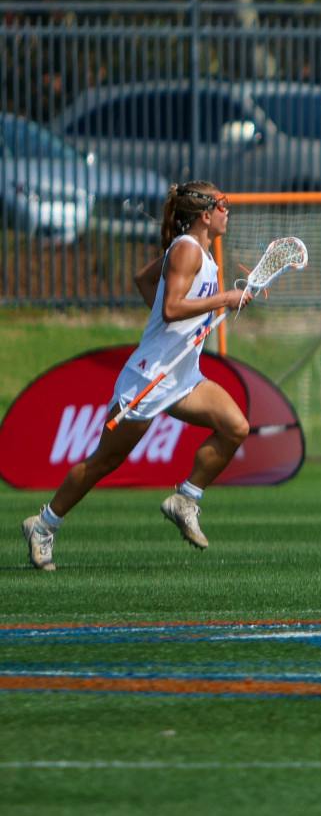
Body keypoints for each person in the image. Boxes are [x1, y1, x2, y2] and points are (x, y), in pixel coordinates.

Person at [21, 182, 251, 570]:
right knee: (103, 462)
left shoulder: (197, 254)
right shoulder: (186, 250)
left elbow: (145, 281)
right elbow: (172, 309)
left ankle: (186, 498)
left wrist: (185, 324)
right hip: (149, 378)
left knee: (236, 427)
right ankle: (43, 524)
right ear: (205, 214)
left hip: (182, 377)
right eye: (223, 204)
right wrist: (224, 299)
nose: (229, 210)